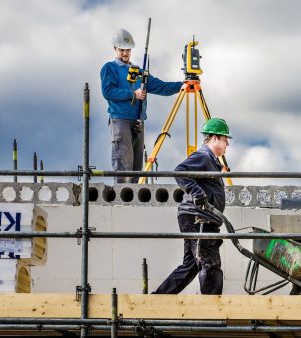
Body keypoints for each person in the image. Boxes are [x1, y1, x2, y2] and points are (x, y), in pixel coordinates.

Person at [153, 118, 232, 295]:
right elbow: (180, 172)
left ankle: (159, 299)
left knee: (190, 266)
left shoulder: (211, 161)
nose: (227, 145)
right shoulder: (203, 156)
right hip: (199, 218)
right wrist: (198, 194)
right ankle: (213, 312)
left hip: (199, 217)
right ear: (214, 139)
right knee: (210, 264)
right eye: (225, 140)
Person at [100, 28, 183, 183]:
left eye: (128, 50)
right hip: (120, 120)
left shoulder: (138, 71)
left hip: (138, 122)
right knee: (124, 163)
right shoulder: (109, 68)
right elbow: (108, 91)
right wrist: (133, 94)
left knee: (137, 168)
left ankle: (134, 200)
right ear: (115, 49)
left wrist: (182, 85)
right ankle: (122, 198)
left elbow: (161, 86)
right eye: (121, 50)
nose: (125, 53)